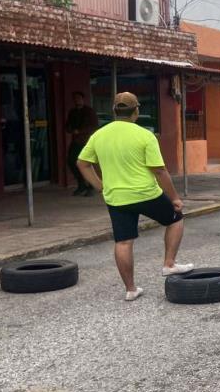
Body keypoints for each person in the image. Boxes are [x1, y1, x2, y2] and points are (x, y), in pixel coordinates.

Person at [76, 92, 193, 301]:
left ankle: (130, 289)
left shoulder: (99, 135)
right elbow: (159, 171)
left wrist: (99, 186)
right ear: (136, 111)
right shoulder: (145, 135)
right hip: (146, 194)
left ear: (114, 111)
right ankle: (169, 264)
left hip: (116, 198)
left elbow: (82, 163)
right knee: (176, 220)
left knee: (123, 242)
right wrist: (174, 197)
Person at [66, 91, 99, 196]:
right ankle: (81, 184)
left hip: (86, 141)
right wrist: (71, 130)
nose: (77, 100)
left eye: (79, 98)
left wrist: (80, 131)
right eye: (75, 99)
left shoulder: (89, 111)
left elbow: (94, 126)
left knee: (87, 163)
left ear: (83, 99)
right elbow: (67, 125)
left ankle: (91, 187)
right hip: (76, 141)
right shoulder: (72, 112)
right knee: (72, 161)